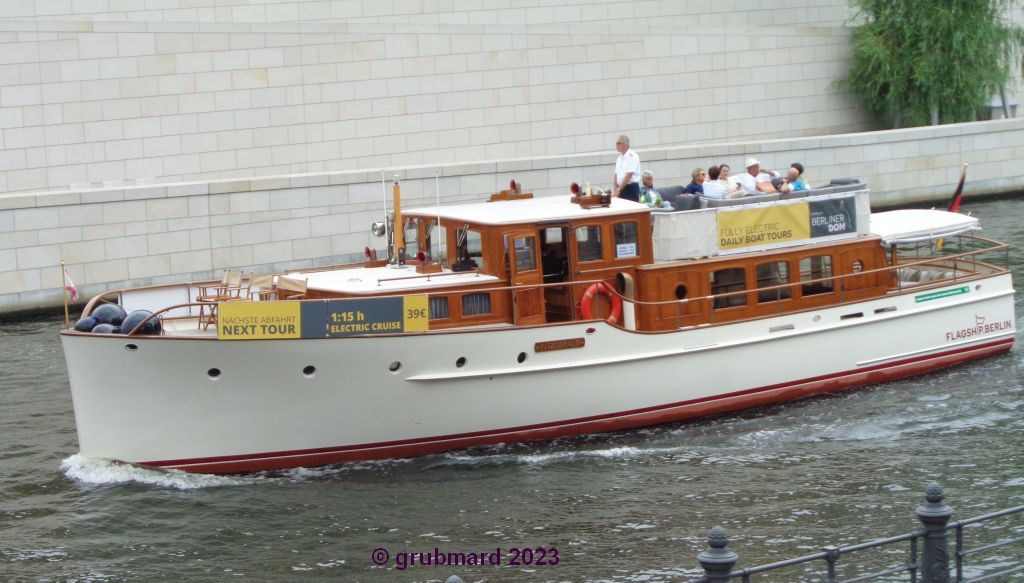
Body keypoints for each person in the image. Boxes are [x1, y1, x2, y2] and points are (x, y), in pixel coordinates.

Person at [612, 135, 641, 202]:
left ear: (625, 145)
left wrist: (618, 189)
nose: (616, 145)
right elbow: (616, 175)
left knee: (631, 210)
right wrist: (615, 190)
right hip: (621, 188)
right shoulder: (619, 158)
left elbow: (629, 175)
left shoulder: (632, 156)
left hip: (630, 189)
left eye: (618, 143)